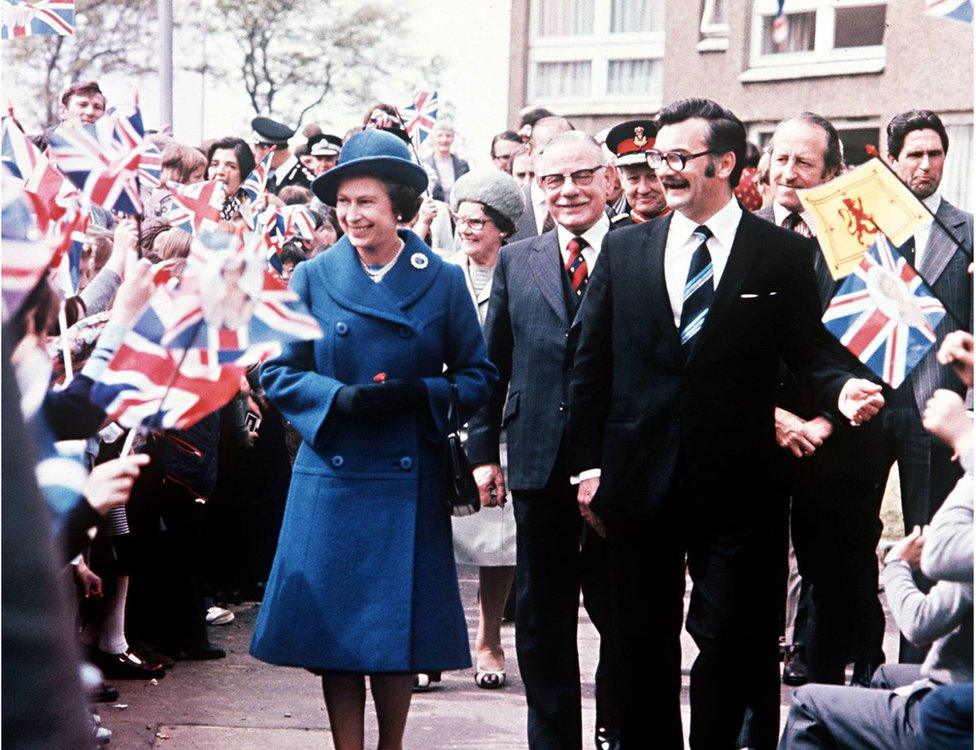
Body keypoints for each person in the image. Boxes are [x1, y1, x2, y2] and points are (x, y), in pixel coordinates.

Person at [564, 98, 885, 749]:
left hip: (740, 488)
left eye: (679, 158)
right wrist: (589, 468)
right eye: (659, 158)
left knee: (732, 643)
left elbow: (809, 353)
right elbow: (588, 369)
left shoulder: (778, 255)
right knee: (641, 643)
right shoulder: (625, 250)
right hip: (638, 480)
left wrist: (845, 387)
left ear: (727, 162)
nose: (664, 171)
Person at [250, 128, 497, 750]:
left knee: (395, 635)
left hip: (405, 477)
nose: (353, 216)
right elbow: (275, 370)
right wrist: (338, 399)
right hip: (331, 474)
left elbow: (479, 374)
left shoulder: (440, 280)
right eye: (345, 203)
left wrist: (425, 395)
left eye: (367, 203)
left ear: (399, 208)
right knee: (337, 638)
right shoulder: (310, 276)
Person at [468, 130, 621, 750]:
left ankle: (616, 729)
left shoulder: (640, 252)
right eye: (552, 180)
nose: (567, 191)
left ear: (608, 179)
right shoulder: (518, 259)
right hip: (536, 460)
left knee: (622, 612)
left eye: (581, 176)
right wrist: (482, 454)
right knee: (541, 619)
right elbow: (491, 366)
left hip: (619, 466)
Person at [757, 112, 888, 689]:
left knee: (832, 571)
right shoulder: (741, 231)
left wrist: (830, 416)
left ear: (833, 172)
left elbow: (877, 339)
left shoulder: (860, 237)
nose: (789, 172)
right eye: (780, 158)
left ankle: (830, 689)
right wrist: (773, 415)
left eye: (804, 162)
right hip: (757, 430)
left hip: (835, 439)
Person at [778, 367, 973, 750]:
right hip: (853, 403)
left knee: (928, 562)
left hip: (934, 394)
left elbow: (940, 558)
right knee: (834, 559)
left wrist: (968, 436)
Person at [882, 109, 974, 663]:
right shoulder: (864, 226)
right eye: (913, 154)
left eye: (934, 153)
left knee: (927, 533)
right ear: (892, 161)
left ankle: (919, 667)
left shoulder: (966, 231)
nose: (924, 165)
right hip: (866, 403)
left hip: (935, 410)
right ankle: (862, 664)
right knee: (851, 539)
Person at [447, 169, 525, 690]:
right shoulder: (444, 274)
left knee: (498, 541)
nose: (467, 229)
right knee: (439, 539)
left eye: (477, 220)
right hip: (448, 422)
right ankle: (435, 644)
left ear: (501, 227)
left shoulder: (522, 275)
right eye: (461, 219)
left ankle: (489, 639)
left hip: (503, 424)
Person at [508, 115, 574, 243]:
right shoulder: (507, 212)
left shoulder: (598, 211)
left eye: (564, 152)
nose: (555, 162)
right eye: (544, 153)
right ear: (529, 152)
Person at [604, 119, 668, 228]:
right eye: (633, 179)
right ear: (622, 179)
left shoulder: (689, 229)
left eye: (653, 177)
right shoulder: (612, 233)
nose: (643, 189)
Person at [251, 116, 313, 194]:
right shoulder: (268, 177)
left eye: (256, 148)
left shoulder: (304, 182)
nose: (253, 152)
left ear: (268, 151)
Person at [422, 121, 470, 204]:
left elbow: (468, 192)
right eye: (439, 135)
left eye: (448, 136)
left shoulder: (463, 166)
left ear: (453, 138)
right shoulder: (425, 165)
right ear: (433, 138)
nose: (444, 140)